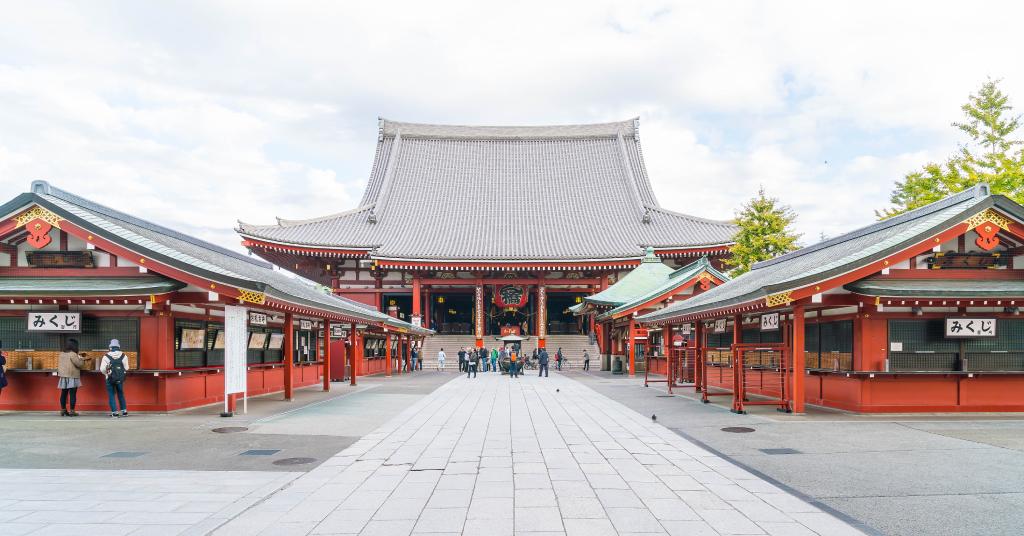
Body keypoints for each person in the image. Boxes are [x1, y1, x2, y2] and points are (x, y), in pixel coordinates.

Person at [57, 338, 88, 417]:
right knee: (72, 394)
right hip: (72, 376)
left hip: (63, 376)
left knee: (63, 393)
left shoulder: (61, 353)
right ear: (74, 346)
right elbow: (79, 365)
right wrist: (82, 359)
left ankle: (63, 410)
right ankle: (72, 411)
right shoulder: (73, 354)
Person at [99, 338, 129, 417]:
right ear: (119, 346)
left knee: (111, 394)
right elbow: (127, 368)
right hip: (120, 378)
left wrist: (107, 374)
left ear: (110, 347)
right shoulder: (124, 356)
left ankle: (115, 412)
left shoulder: (106, 356)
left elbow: (102, 369)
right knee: (120, 393)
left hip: (110, 378)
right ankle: (124, 411)